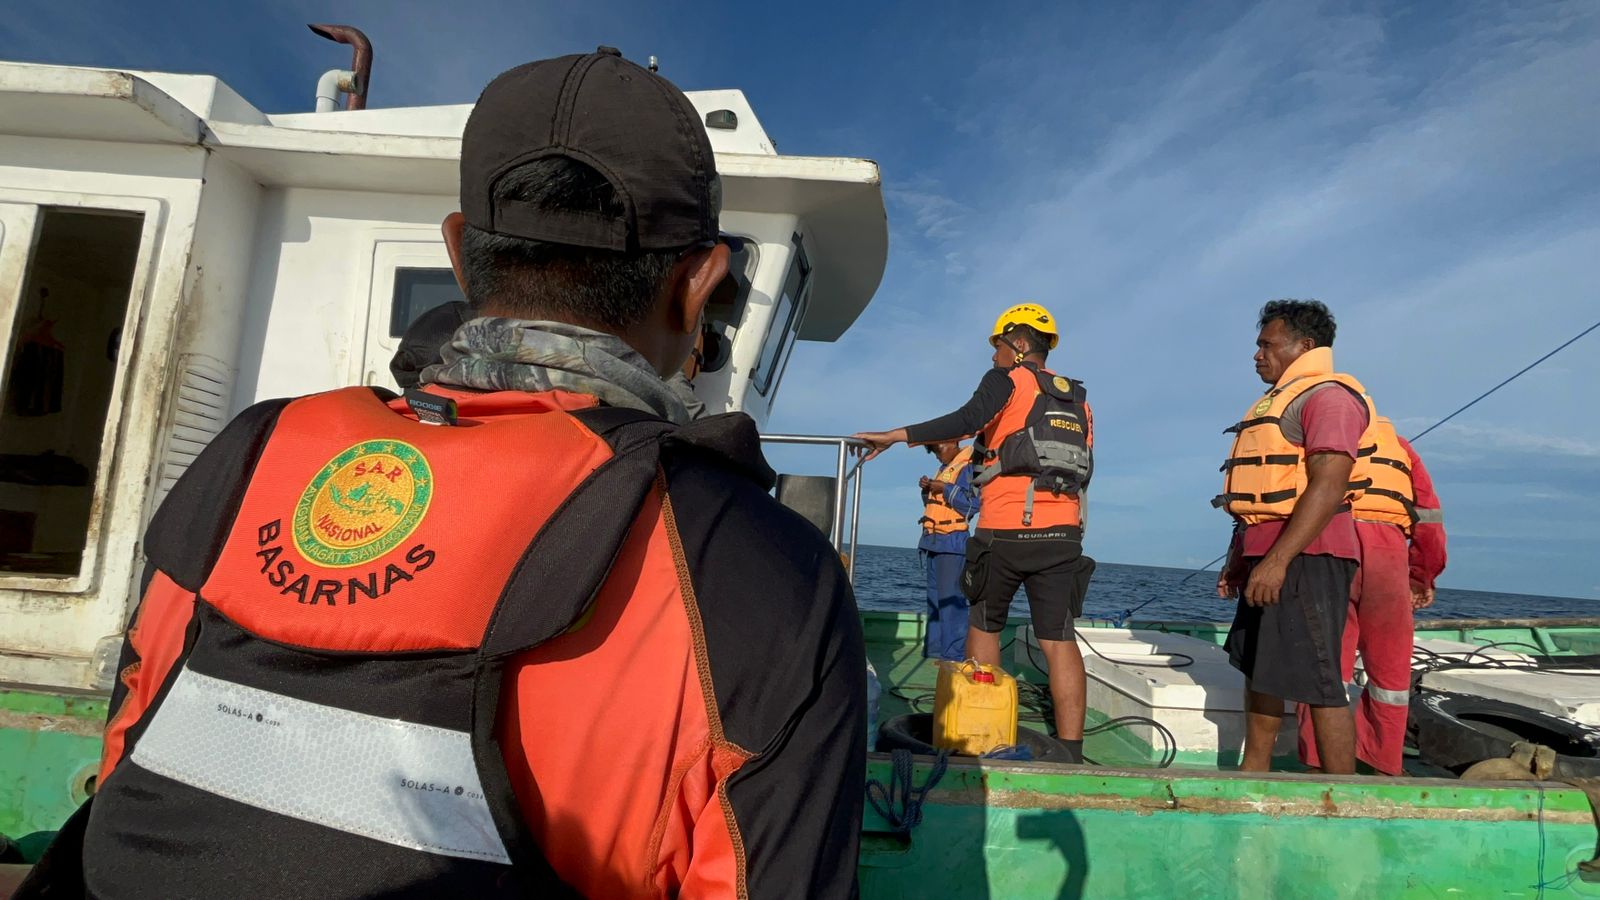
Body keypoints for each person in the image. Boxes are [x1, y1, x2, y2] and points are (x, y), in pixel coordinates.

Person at [28, 49, 864, 900]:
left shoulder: (250, 452)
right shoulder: (757, 570)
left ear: (462, 256)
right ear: (698, 284)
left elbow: (128, 742)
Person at [855, 302, 1095, 762]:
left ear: (1020, 344)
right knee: (1059, 639)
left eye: (999, 346)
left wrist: (894, 435)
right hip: (1064, 534)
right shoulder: (1078, 398)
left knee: (984, 627)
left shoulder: (1008, 379)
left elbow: (966, 421)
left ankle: (984, 740)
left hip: (1006, 531)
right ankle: (1071, 753)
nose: (993, 357)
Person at [1215, 299, 1376, 775]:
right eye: (1258, 345)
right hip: (1267, 552)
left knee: (1319, 679)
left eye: (1267, 344)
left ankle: (1342, 793)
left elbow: (1329, 484)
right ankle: (1254, 771)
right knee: (1258, 670)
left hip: (1309, 556)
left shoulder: (1327, 398)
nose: (1257, 354)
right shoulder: (1280, 400)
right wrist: (1241, 558)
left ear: (1306, 346)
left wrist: (1279, 559)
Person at [1296, 415, 1447, 774]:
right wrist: (1421, 575)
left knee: (1325, 661)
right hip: (1387, 552)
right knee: (1390, 670)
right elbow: (1430, 518)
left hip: (1327, 546)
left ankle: (1317, 760)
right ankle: (1383, 761)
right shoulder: (1401, 446)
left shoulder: (1314, 443)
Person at [918, 439, 980, 661]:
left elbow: (973, 504)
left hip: (953, 543)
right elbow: (935, 505)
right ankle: (934, 650)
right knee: (934, 601)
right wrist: (928, 490)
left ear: (952, 443)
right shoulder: (945, 468)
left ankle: (953, 656)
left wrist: (944, 488)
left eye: (939, 450)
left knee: (951, 602)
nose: (937, 455)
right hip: (932, 542)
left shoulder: (968, 468)